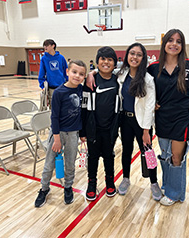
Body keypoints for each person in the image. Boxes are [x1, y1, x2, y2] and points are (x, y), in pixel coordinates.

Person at [147, 29, 189, 206]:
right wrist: (151, 104)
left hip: (182, 118)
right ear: (164, 43)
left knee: (176, 157)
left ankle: (175, 194)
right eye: (170, 40)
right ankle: (168, 186)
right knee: (165, 154)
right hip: (162, 118)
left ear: (182, 45)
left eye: (178, 41)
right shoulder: (153, 68)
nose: (174, 44)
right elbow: (142, 87)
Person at [34, 60, 87, 208]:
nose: (77, 76)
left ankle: (68, 187)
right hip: (57, 134)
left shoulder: (81, 90)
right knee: (49, 164)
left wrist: (82, 133)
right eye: (74, 72)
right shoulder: (58, 92)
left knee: (70, 163)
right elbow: (54, 117)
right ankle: (44, 188)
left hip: (73, 134)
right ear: (67, 72)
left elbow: (82, 114)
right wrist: (56, 138)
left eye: (81, 74)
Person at [116, 43, 162, 200]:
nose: (134, 57)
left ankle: (154, 182)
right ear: (127, 55)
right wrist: (92, 72)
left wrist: (146, 130)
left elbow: (150, 106)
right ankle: (126, 178)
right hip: (125, 121)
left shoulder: (147, 79)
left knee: (148, 152)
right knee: (126, 151)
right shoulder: (121, 74)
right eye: (132, 53)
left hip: (142, 123)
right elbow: (103, 72)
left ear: (143, 59)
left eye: (138, 55)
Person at [80, 46, 120, 201]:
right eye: (103, 59)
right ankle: (92, 183)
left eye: (110, 59)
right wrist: (82, 131)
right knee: (93, 156)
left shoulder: (118, 80)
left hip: (110, 128)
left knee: (109, 155)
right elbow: (84, 107)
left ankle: (110, 181)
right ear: (97, 62)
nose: (106, 62)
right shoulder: (90, 81)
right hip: (93, 128)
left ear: (114, 64)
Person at [38, 39, 68, 109]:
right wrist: (42, 85)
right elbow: (41, 73)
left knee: (64, 106)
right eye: (44, 46)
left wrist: (68, 81)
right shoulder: (44, 59)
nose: (45, 47)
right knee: (53, 108)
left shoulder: (61, 57)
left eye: (47, 45)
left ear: (53, 46)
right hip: (51, 88)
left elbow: (66, 71)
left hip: (62, 86)